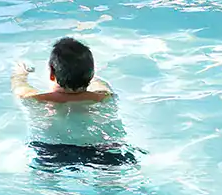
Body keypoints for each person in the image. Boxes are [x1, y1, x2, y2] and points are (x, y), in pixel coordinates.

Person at [13, 37, 136, 169]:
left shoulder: (34, 99)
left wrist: (21, 74)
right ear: (92, 74)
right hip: (104, 149)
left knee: (47, 184)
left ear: (52, 74)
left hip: (52, 151)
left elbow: (19, 86)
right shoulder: (105, 97)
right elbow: (100, 84)